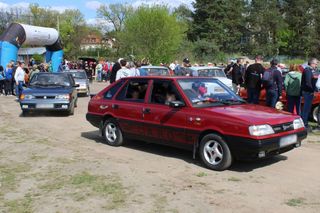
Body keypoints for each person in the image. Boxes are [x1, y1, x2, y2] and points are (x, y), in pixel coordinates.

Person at [301, 58, 318, 129]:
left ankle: (304, 123)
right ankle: (304, 124)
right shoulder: (307, 70)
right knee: (306, 109)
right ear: (312, 63)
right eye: (316, 64)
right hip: (308, 92)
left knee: (307, 109)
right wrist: (313, 91)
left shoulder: (309, 70)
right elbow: (308, 83)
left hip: (308, 92)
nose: (316, 65)